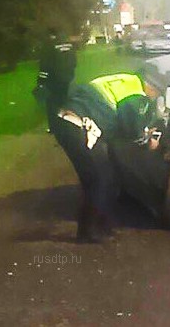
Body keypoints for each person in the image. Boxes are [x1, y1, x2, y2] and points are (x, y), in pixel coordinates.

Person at [35, 60, 162, 242]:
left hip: (68, 120)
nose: (156, 96)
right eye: (157, 92)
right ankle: (89, 233)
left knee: (97, 178)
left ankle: (98, 227)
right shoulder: (136, 94)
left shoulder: (126, 80)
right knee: (103, 179)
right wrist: (148, 140)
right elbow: (130, 129)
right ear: (150, 85)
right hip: (79, 124)